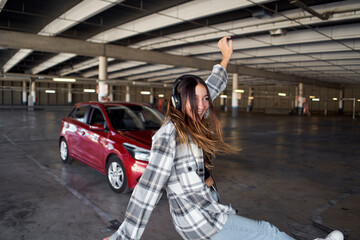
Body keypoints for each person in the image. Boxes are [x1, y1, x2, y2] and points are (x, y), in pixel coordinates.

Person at [104, 36, 343, 240]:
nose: (202, 106)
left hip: (207, 203)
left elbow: (212, 87)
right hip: (199, 219)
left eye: (204, 99)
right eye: (194, 100)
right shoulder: (169, 136)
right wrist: (122, 237)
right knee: (266, 233)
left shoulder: (195, 113)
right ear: (178, 102)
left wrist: (225, 57)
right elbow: (147, 191)